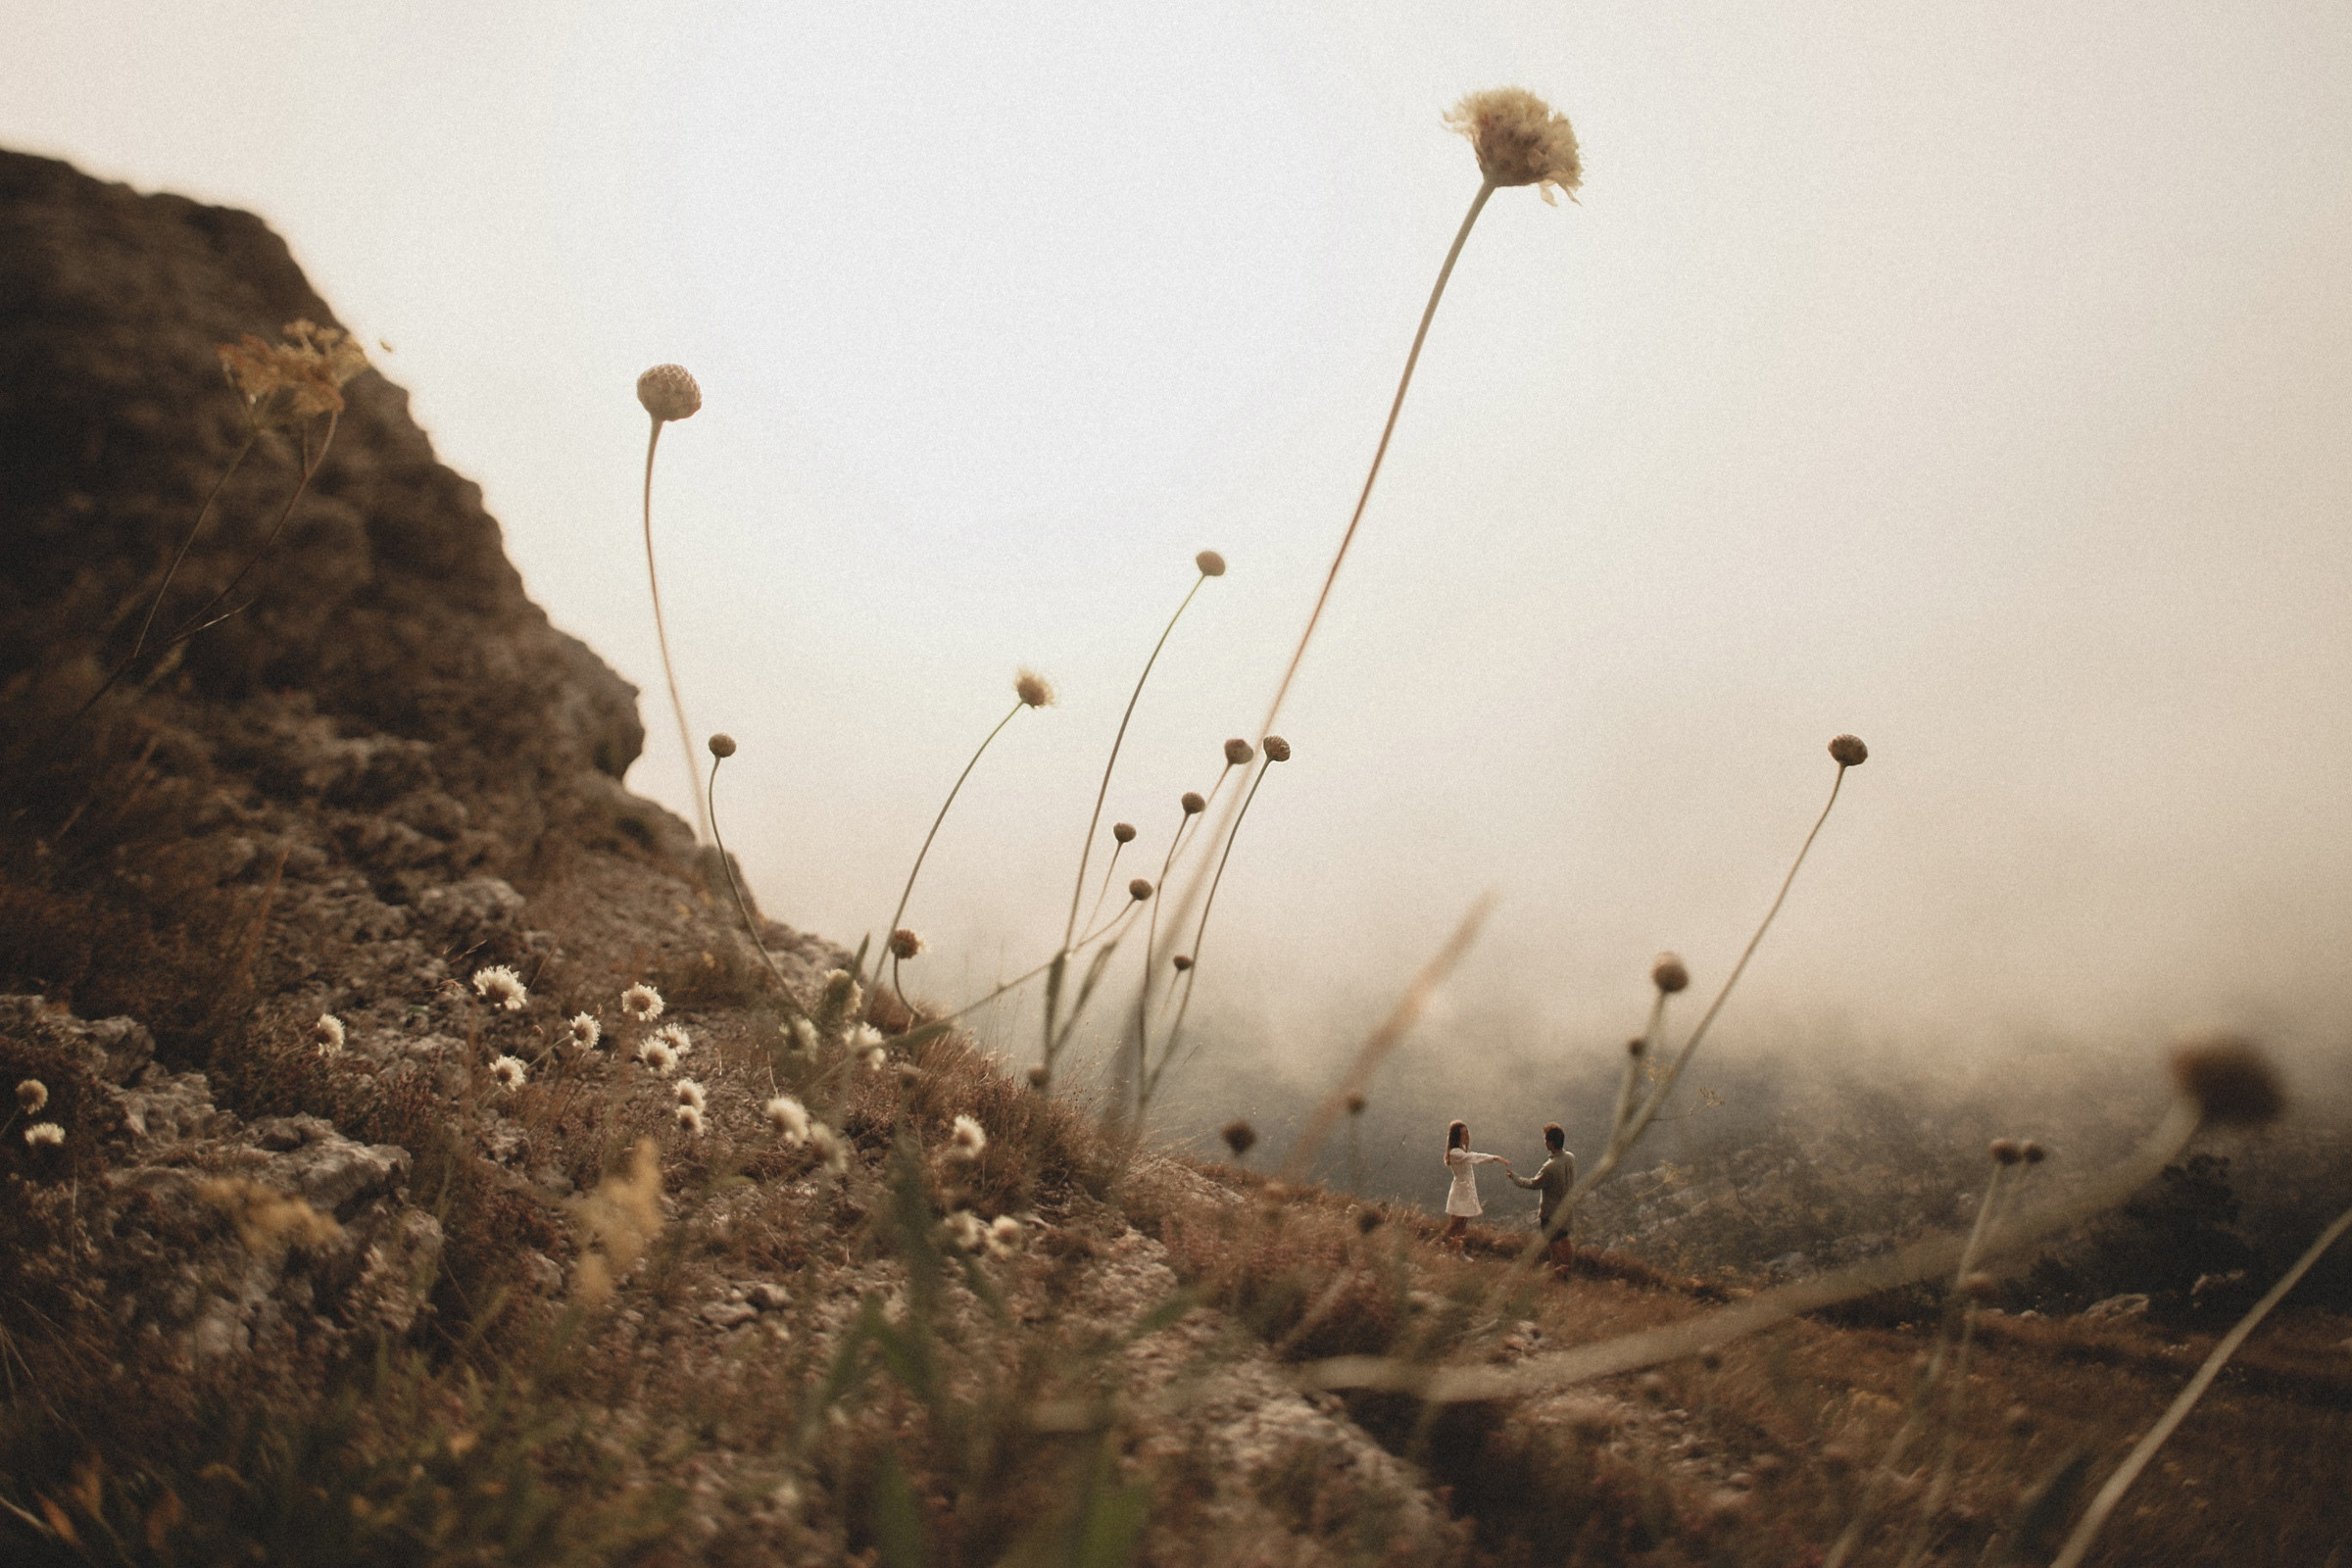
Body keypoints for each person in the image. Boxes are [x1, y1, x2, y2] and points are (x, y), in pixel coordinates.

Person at [1507, 1122, 1578, 1274]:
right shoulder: (1570, 1158)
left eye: (1546, 1139)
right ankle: (1564, 1267)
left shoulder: (1550, 1166)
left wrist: (1515, 1177)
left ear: (1551, 1143)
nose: (1545, 1142)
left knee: (1553, 1242)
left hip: (1551, 1213)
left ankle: (1561, 1271)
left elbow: (1533, 1184)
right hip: (1567, 1210)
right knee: (1564, 1239)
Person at [1442, 1120, 1509, 1250]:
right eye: (1463, 1134)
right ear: (1456, 1136)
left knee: (1462, 1224)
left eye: (1467, 1132)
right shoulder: (1455, 1152)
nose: (1466, 1136)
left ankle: (1457, 1251)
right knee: (1455, 1223)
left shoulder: (1462, 1150)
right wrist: (1494, 1158)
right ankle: (1443, 1247)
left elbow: (1471, 1157)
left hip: (1466, 1190)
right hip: (1460, 1191)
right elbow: (1474, 1157)